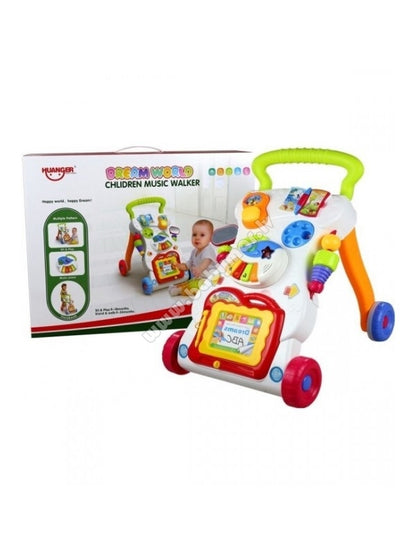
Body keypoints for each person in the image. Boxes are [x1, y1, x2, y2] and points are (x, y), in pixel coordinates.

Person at [170, 219, 217, 296]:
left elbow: (206, 261)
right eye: (194, 234)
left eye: (202, 235)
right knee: (190, 282)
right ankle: (178, 287)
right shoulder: (194, 251)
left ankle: (180, 291)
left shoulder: (208, 249)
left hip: (211, 280)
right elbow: (188, 265)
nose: (197, 238)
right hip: (200, 278)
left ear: (210, 238)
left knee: (196, 287)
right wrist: (179, 266)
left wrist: (199, 269)